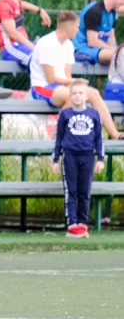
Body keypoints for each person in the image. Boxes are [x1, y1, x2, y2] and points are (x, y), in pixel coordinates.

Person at [30, 11, 124, 139]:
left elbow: (67, 76)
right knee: (73, 96)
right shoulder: (46, 43)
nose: (78, 30)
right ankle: (60, 137)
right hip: (42, 87)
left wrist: (75, 83)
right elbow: (51, 79)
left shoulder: (69, 45)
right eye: (77, 27)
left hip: (61, 87)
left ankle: (115, 134)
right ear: (68, 28)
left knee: (94, 93)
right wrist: (75, 81)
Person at [52, 80, 104, 239]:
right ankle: (72, 224)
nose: (77, 96)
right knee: (71, 191)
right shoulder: (65, 114)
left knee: (84, 191)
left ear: (86, 96)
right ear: (70, 96)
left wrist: (100, 158)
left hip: (88, 156)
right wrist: (55, 159)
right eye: (74, 93)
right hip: (70, 157)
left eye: (80, 93)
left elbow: (99, 138)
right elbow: (59, 138)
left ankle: (82, 223)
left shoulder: (94, 114)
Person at [72, 0, 124, 66]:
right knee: (119, 55)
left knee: (120, 54)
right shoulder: (94, 11)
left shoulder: (112, 13)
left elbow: (111, 38)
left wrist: (115, 48)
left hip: (101, 48)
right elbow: (92, 42)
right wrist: (114, 50)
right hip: (84, 48)